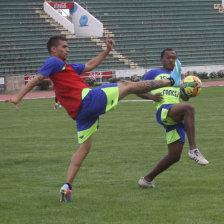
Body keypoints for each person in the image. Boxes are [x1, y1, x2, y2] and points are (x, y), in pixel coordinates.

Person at [5, 36, 181, 202]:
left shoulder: (65, 67)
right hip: (87, 100)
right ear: (53, 49)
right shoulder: (53, 62)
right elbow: (38, 78)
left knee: (84, 148)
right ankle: (171, 81)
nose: (67, 49)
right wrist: (19, 96)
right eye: (64, 46)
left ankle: (67, 186)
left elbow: (89, 65)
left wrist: (106, 51)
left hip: (80, 114)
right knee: (127, 86)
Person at [137, 48, 209, 188]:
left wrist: (188, 90)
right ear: (162, 59)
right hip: (164, 110)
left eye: (174, 58)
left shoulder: (176, 77)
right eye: (168, 57)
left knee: (174, 156)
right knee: (189, 108)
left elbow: (182, 97)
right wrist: (151, 97)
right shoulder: (154, 73)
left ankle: (146, 180)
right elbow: (137, 88)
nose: (171, 60)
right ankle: (193, 149)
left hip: (175, 114)